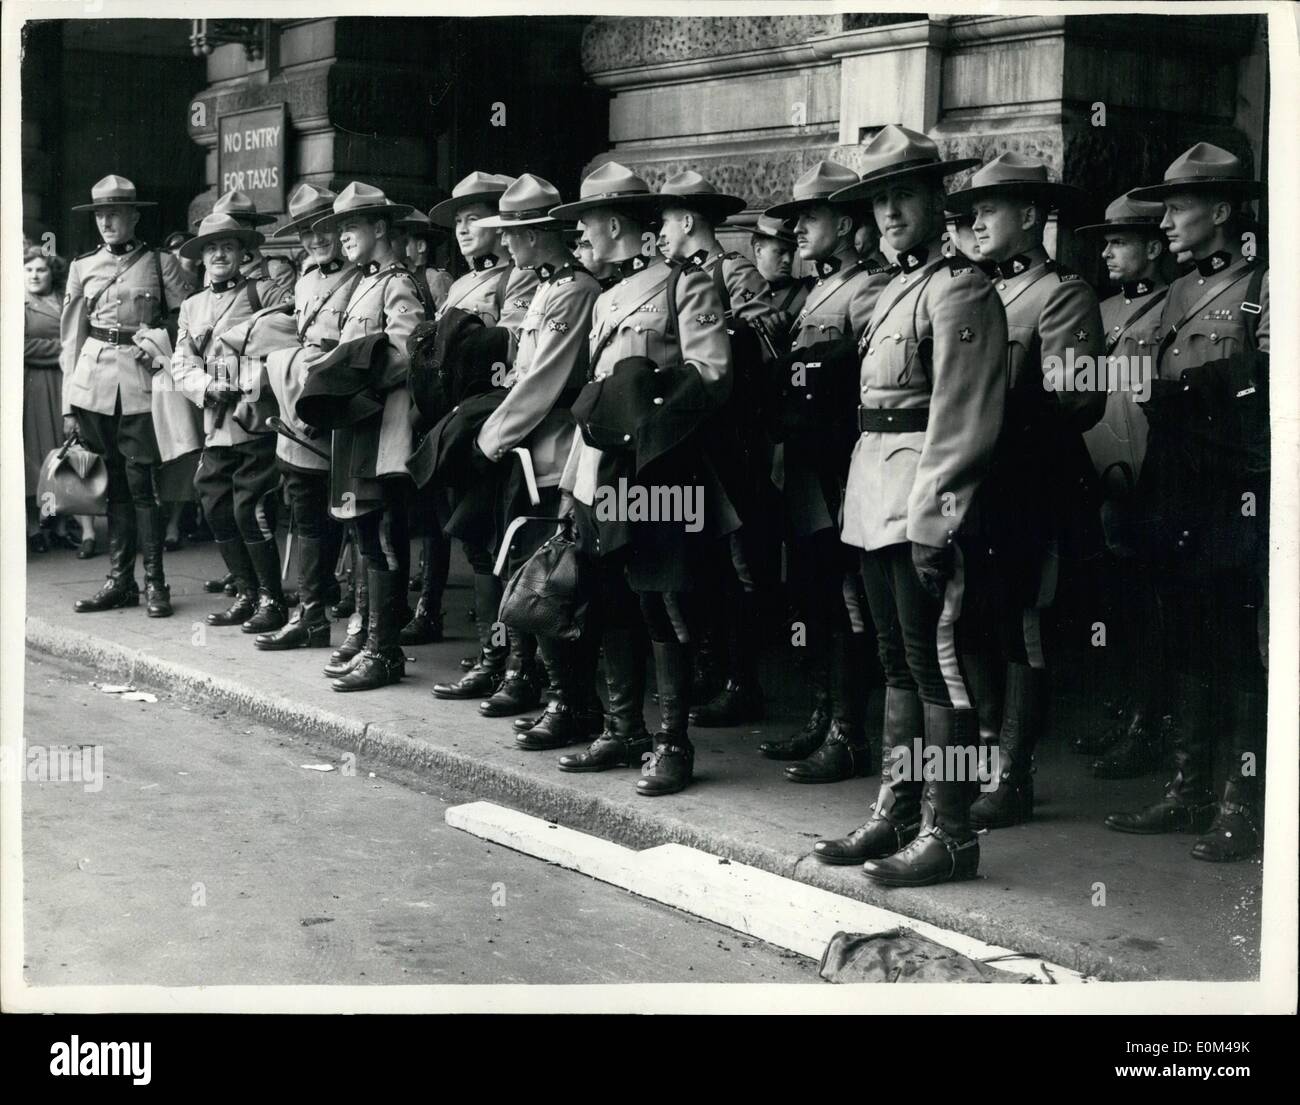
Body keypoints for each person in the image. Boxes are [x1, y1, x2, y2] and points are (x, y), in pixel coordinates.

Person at [815, 125, 1006, 885]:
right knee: (897, 664)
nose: (890, 212)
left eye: (904, 196)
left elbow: (963, 420)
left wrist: (937, 520)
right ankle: (898, 808)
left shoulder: (961, 288)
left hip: (923, 503)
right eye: (880, 199)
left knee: (941, 673)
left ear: (936, 200)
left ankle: (950, 830)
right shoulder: (897, 288)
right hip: (874, 497)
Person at [1106, 143, 1269, 863]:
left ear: (1224, 211)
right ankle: (1187, 785)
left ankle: (1241, 800)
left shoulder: (1266, 286)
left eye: (1177, 208)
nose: (1164, 221)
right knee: (1187, 632)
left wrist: (1184, 392)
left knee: (1237, 646)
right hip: (1174, 478)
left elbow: (1262, 384)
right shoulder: (1171, 295)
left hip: (1233, 486)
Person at [550, 161, 734, 797]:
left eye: (587, 224)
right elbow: (593, 397)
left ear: (612, 223)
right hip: (603, 467)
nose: (582, 236)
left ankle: (672, 741)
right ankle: (623, 726)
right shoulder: (602, 298)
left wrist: (646, 411)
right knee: (609, 594)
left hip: (659, 464)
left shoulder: (686, 285)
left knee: (663, 598)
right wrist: (576, 483)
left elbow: (711, 374)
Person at [943, 153, 1105, 830]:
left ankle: (1014, 773)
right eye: (973, 212)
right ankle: (984, 752)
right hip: (979, 485)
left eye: (989, 210)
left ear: (1031, 217)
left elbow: (1078, 399)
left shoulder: (1062, 293)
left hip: (1030, 489)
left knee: (1024, 627)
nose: (975, 224)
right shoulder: (976, 288)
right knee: (973, 618)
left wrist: (997, 416)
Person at [756, 160, 891, 782]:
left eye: (811, 217)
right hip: (805, 465)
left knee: (848, 599)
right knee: (810, 592)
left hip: (841, 468)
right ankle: (821, 713)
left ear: (845, 223)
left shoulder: (869, 288)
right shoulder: (814, 290)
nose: (799, 231)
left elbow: (862, 383)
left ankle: (849, 730)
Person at [474, 174, 604, 740]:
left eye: (513, 234)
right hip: (531, 450)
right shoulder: (546, 287)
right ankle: (544, 688)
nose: (505, 245)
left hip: (555, 453)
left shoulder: (575, 289)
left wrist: (491, 436)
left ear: (539, 234)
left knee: (554, 582)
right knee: (530, 574)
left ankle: (571, 704)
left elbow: (545, 380)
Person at [653, 170, 778, 731]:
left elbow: (771, 336)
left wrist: (718, 334)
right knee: (702, 562)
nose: (658, 233)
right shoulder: (674, 276)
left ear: (686, 221)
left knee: (742, 562)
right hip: (697, 437)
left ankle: (742, 681)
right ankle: (706, 668)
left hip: (736, 438)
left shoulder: (733, 270)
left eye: (664, 222)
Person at [425, 172, 541, 701]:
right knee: (474, 542)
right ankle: (493, 655)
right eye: (460, 221)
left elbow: (505, 351)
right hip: (459, 419)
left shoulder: (517, 279)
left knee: (501, 544)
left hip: (496, 423)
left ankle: (516, 665)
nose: (465, 229)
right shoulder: (456, 285)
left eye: (476, 218)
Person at [309, 182, 426, 692]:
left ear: (380, 228)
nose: (343, 237)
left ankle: (385, 650)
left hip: (383, 422)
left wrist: (350, 380)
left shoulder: (398, 282)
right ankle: (369, 635)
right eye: (340, 228)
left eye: (351, 227)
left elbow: (406, 350)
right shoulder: (361, 283)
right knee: (360, 529)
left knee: (381, 531)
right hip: (358, 421)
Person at [60, 174, 190, 617]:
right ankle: (120, 581)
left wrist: (158, 338)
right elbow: (70, 338)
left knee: (142, 485)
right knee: (111, 485)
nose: (108, 221)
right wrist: (67, 405)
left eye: (116, 213)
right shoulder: (82, 266)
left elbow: (184, 321)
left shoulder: (161, 263)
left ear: (135, 216)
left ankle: (156, 582)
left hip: (140, 385)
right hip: (93, 387)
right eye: (100, 214)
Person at [1074, 191, 1171, 777]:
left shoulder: (1171, 310)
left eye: (1119, 242)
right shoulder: (1100, 311)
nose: (1107, 253)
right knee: (1116, 603)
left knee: (1155, 604)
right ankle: (1127, 711)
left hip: (1150, 480)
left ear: (1154, 247)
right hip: (1099, 478)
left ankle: (1150, 723)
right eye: (1105, 242)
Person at [170, 212, 291, 634]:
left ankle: (273, 600)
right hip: (215, 423)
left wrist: (240, 384)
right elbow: (182, 362)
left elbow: (281, 348)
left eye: (228, 246)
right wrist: (205, 386)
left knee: (250, 509)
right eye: (211, 248)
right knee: (215, 505)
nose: (220, 254)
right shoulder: (191, 306)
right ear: (201, 257)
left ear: (243, 253)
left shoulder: (262, 294)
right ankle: (246, 591)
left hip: (253, 420)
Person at [254, 182, 359, 651]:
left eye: (323, 229)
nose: (315, 240)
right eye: (305, 233)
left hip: (340, 407)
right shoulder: (304, 279)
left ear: (340, 226)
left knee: (354, 516)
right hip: (297, 409)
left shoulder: (361, 277)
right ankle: (311, 616)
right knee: (303, 511)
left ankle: (361, 620)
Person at [25, 247, 92, 555]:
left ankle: (62, 523)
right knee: (35, 452)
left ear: (52, 272)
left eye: (41, 270)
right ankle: (35, 526)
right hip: (34, 385)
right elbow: (19, 344)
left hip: (64, 383)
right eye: (29, 270)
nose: (35, 275)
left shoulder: (63, 302)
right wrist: (62, 350)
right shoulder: (19, 305)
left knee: (61, 449)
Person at [205, 190, 295, 307]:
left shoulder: (275, 270)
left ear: (251, 230)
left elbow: (281, 315)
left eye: (237, 228)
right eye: (222, 230)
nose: (228, 236)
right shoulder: (213, 269)